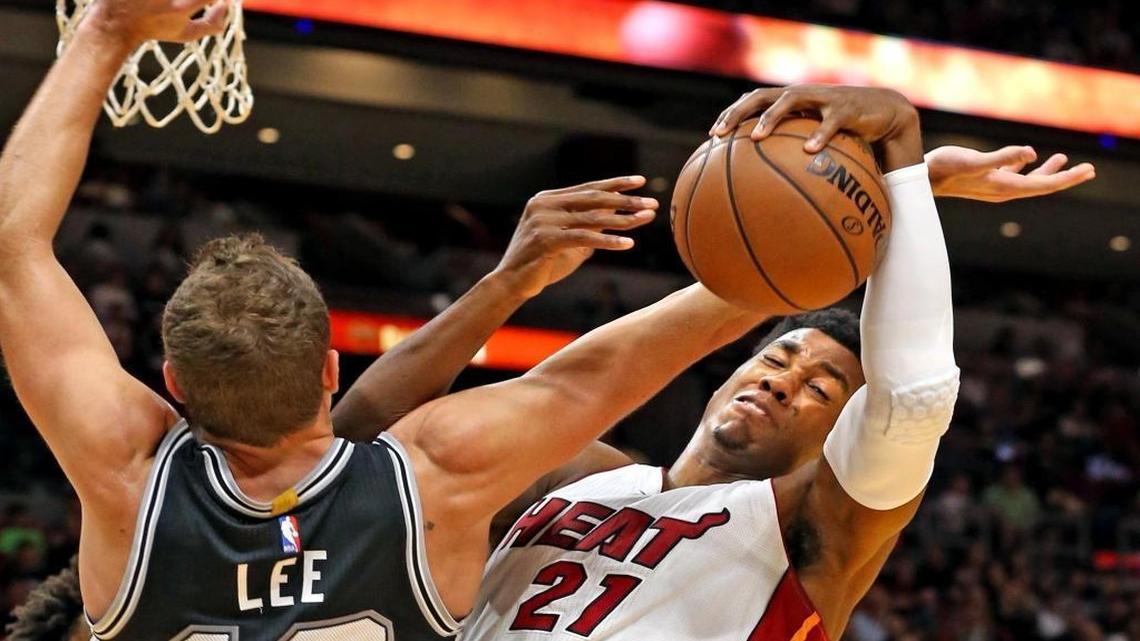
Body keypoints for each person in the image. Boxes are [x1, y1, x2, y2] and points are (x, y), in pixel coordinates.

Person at [399, 86, 1092, 641]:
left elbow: (912, 397)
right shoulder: (576, 471)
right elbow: (395, 447)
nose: (785, 380)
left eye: (822, 388)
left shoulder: (809, 529)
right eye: (781, 356)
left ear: (838, 441)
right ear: (730, 371)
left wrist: (903, 168)